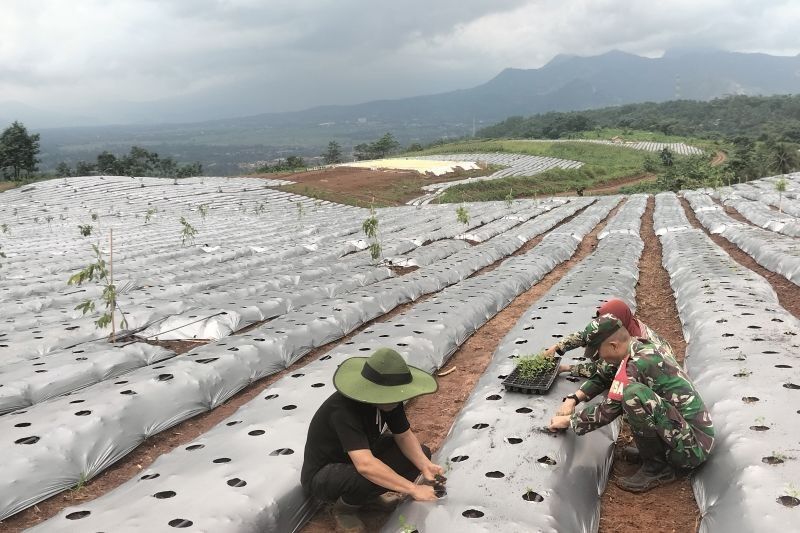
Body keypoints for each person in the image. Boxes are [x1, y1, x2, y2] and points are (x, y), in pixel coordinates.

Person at [548, 315, 714, 493]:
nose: (597, 358)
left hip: (692, 448)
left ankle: (657, 468)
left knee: (632, 396)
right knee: (633, 396)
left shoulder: (639, 363)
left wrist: (569, 421)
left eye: (598, 352)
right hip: (682, 432)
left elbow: (609, 409)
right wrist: (574, 398)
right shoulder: (636, 348)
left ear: (613, 345)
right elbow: (604, 375)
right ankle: (653, 454)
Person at [301, 347, 444, 533]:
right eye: (390, 395)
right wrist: (413, 489)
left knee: (419, 454)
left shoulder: (390, 401)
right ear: (374, 391)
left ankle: (369, 498)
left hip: (356, 459)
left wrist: (425, 465)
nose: (396, 400)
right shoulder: (343, 410)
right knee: (367, 475)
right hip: (325, 474)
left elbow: (404, 435)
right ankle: (344, 510)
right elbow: (365, 465)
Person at [543, 297, 671, 378]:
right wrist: (558, 347)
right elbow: (590, 334)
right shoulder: (623, 324)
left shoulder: (637, 346)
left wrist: (566, 368)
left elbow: (606, 370)